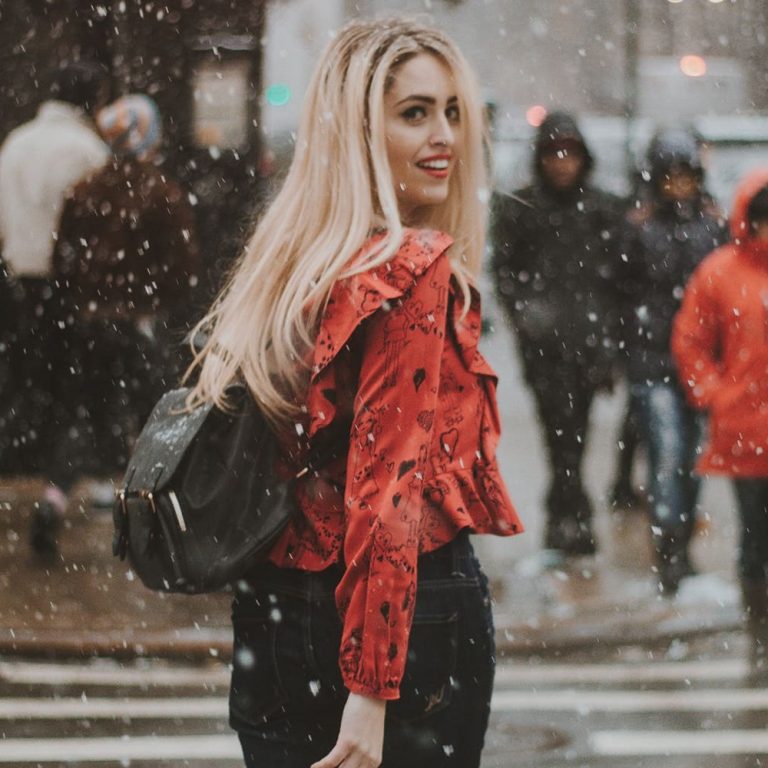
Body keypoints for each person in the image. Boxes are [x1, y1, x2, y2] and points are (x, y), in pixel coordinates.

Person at [187, 18, 523, 768]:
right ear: (358, 133)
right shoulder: (411, 265)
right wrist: (371, 692)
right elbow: (391, 491)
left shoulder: (293, 261)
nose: (445, 137)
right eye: (414, 113)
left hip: (276, 610)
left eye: (454, 112)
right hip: (407, 617)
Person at [48, 94, 201, 504]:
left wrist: (84, 300)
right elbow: (182, 265)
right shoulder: (162, 193)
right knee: (155, 405)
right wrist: (156, 302)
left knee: (95, 402)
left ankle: (63, 492)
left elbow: (63, 258)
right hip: (139, 320)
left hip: (91, 316)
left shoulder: (83, 190)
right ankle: (159, 489)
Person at [490, 112, 625, 556]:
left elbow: (620, 280)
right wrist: (526, 317)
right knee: (558, 431)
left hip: (588, 345)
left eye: (570, 153)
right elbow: (505, 271)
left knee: (577, 432)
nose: (562, 163)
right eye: (554, 153)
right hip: (543, 347)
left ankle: (568, 512)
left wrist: (609, 339)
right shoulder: (521, 208)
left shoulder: (604, 208)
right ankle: (569, 514)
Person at [0, 61, 109, 558]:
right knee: (76, 390)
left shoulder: (16, 143)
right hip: (67, 287)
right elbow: (91, 230)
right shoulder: (86, 150)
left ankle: (37, 472)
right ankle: (56, 486)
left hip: (18, 278)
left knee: (26, 385)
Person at [618, 128, 727, 594]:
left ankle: (679, 545)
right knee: (666, 456)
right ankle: (670, 553)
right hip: (653, 360)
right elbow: (621, 292)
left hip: (699, 364)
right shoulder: (640, 228)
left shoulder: (712, 227)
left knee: (692, 458)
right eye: (670, 177)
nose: (678, 186)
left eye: (685, 177)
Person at [672, 169, 768, 674]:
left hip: (749, 427)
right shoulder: (720, 272)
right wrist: (714, 394)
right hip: (747, 435)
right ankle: (761, 635)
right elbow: (691, 339)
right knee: (756, 538)